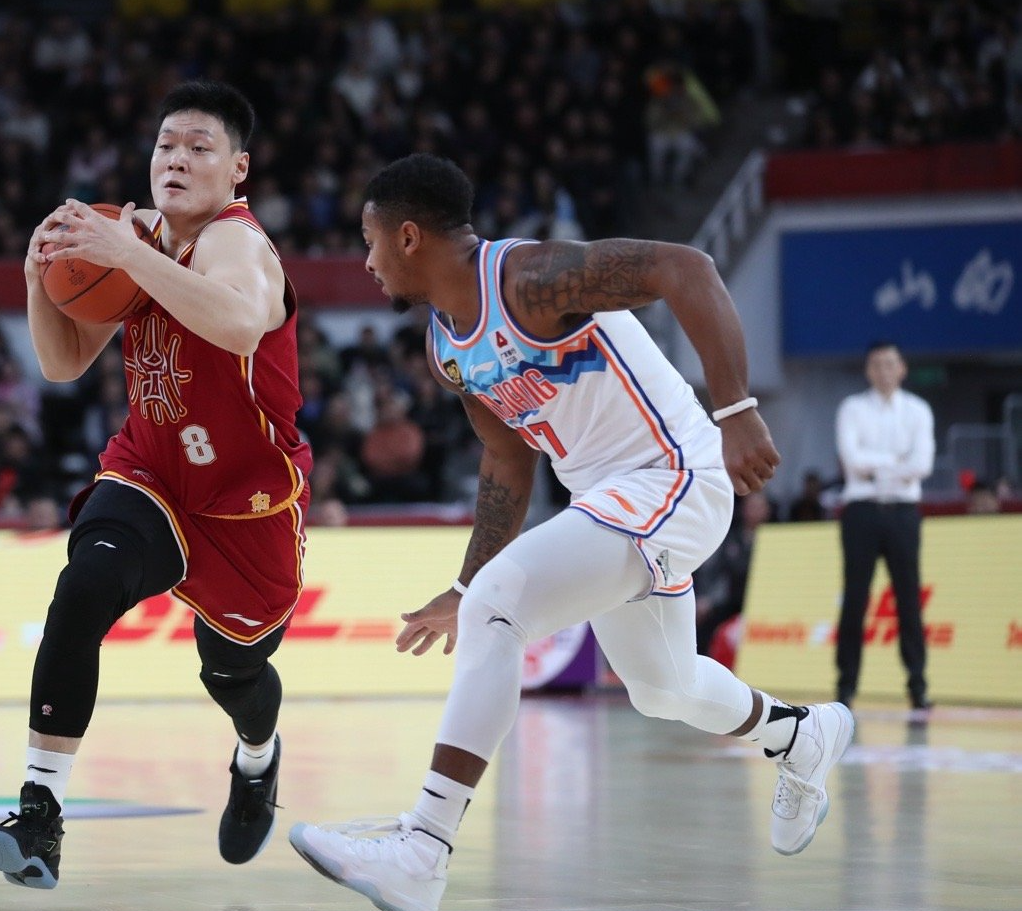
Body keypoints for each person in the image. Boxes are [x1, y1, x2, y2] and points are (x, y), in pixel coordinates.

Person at [287, 154, 852, 911]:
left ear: (410, 236)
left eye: (371, 241)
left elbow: (688, 268)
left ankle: (423, 846)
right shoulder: (446, 344)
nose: (366, 262)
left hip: (673, 472)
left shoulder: (530, 279)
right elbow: (505, 457)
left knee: (502, 606)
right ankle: (799, 734)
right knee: (662, 685)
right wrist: (461, 584)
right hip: (611, 499)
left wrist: (734, 409)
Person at [0, 80, 310, 889]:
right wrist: (34, 278)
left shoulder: (237, 242)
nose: (177, 159)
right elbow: (61, 362)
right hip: (151, 473)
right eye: (166, 146)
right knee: (82, 588)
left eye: (199, 147)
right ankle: (39, 816)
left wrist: (129, 256)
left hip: (246, 501)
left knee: (233, 676)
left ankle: (257, 759)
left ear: (238, 171)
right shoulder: (131, 236)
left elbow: (237, 321)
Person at [834, 341, 934, 711]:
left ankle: (918, 686)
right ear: (868, 370)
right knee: (855, 598)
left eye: (890, 363)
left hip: (904, 514)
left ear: (902, 368)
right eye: (876, 364)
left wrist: (876, 466)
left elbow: (922, 464)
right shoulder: (852, 408)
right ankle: (846, 686)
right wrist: (896, 463)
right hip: (861, 512)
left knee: (909, 599)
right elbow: (851, 460)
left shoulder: (918, 410)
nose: (884, 370)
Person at [694, 491, 770, 657]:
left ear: (767, 510)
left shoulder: (775, 539)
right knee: (707, 624)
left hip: (762, 603)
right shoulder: (730, 537)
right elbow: (714, 570)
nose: (755, 511)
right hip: (728, 601)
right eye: (751, 506)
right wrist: (707, 599)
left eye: (759, 507)